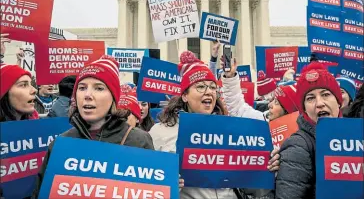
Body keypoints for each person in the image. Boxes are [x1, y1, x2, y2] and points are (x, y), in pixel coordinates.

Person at [150, 51, 279, 199]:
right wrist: (167, 184)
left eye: (212, 87)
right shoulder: (160, 133)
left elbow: (251, 186)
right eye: (200, 87)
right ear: (184, 95)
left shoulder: (229, 129)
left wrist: (268, 166)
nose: (208, 92)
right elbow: (148, 186)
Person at [33, 55, 154, 197]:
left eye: (99, 88)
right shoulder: (61, 143)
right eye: (82, 88)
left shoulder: (139, 140)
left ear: (113, 97)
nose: (88, 95)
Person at [275, 62, 343, 199]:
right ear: (304, 109)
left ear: (338, 101)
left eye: (325, 94)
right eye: (310, 98)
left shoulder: (356, 138)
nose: (319, 103)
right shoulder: (297, 146)